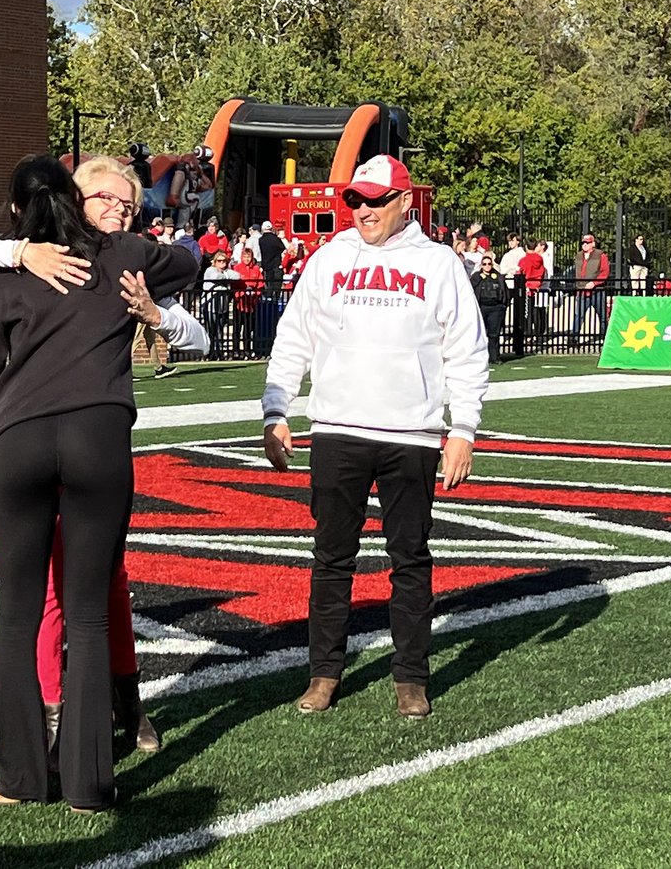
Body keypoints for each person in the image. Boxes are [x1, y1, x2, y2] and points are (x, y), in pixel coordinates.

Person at [0, 155, 206, 755]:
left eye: (128, 205)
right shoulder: (29, 259)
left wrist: (155, 315)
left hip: (36, 443)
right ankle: (62, 719)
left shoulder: (129, 261)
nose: (118, 210)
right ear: (72, 198)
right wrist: (18, 252)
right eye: (106, 199)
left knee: (98, 589)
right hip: (90, 444)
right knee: (64, 596)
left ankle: (117, 708)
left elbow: (201, 334)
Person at [262, 154, 488, 720]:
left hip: (411, 434)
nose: (362, 210)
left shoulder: (439, 264)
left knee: (409, 559)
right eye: (355, 201)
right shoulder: (328, 259)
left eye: (375, 200)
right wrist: (276, 410)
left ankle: (411, 677)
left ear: (405, 202)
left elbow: (466, 348)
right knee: (331, 557)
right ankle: (323, 674)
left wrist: (463, 427)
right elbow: (294, 337)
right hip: (337, 429)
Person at [570, 233, 609, 342]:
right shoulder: (578, 256)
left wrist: (594, 283)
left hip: (597, 291)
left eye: (587, 242)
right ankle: (574, 337)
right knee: (578, 316)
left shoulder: (601, 255)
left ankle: (605, 336)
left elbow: (604, 272)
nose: (584, 245)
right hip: (582, 291)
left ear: (593, 244)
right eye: (583, 242)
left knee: (602, 316)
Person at [470, 255, 509, 363]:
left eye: (489, 264)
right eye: (484, 264)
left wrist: (503, 306)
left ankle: (494, 357)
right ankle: (480, 357)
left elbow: (505, 292)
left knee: (494, 334)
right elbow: (470, 290)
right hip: (481, 307)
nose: (487, 266)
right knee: (480, 333)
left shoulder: (498, 277)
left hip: (496, 308)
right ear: (481, 265)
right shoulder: (476, 277)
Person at [202, 249, 239, 357]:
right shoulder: (210, 270)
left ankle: (218, 352)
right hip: (210, 305)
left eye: (224, 261)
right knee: (211, 330)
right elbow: (216, 277)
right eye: (219, 261)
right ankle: (209, 352)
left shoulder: (226, 271)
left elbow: (237, 276)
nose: (222, 263)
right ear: (214, 261)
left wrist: (225, 273)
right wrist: (226, 276)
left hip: (223, 304)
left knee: (220, 329)